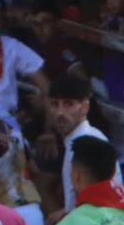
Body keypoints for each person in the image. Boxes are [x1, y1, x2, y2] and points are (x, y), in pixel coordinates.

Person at [48, 74, 119, 213]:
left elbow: (85, 205)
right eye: (54, 104)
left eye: (68, 104)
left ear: (85, 107)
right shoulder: (92, 136)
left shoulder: (84, 145)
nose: (60, 112)